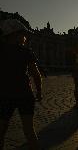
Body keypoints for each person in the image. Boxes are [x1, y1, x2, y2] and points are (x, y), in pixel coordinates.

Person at [0, 19, 43, 150]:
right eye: (22, 33)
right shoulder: (25, 52)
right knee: (29, 130)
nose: (25, 37)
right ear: (14, 34)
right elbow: (36, 75)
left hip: (4, 94)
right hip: (25, 94)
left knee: (1, 130)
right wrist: (39, 91)